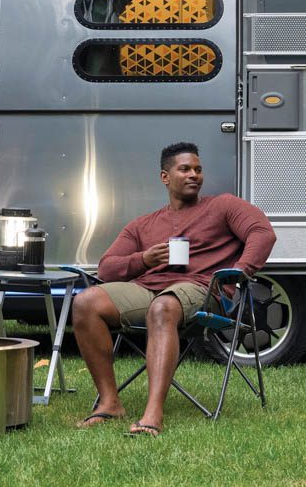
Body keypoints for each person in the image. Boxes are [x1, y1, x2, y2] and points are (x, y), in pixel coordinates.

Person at [72, 141, 276, 437]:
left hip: (204, 290)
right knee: (85, 302)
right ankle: (109, 401)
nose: (194, 174)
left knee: (162, 306)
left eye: (198, 169)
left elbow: (262, 233)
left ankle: (153, 414)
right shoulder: (143, 225)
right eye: (185, 169)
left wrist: (237, 274)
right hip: (150, 290)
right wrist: (144, 259)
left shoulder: (222, 206)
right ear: (165, 177)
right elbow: (107, 268)